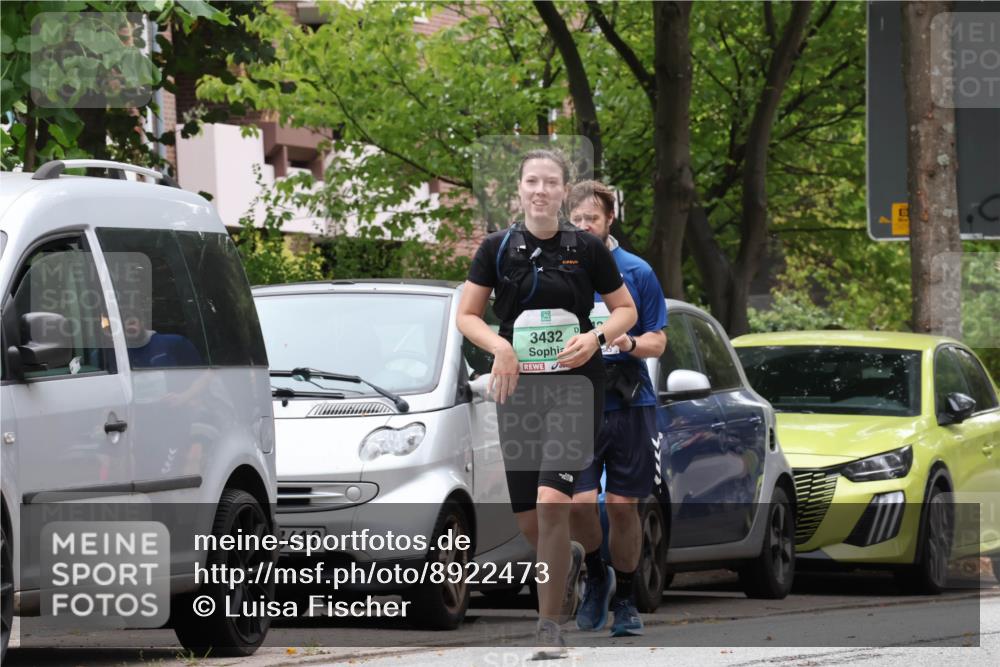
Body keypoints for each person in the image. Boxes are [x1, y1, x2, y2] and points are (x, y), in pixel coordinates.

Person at [457, 150, 637, 659]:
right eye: (531, 181)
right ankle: (580, 560)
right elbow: (467, 316)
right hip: (517, 389)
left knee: (553, 501)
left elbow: (627, 310)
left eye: (550, 182)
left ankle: (548, 627)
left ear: (563, 192)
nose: (540, 190)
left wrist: (596, 337)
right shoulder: (495, 249)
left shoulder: (586, 248)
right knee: (529, 520)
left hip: (575, 386)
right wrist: (500, 347)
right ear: (519, 189)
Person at [566, 180, 667, 637]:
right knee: (580, 503)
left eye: (593, 218)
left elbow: (658, 340)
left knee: (623, 507)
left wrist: (628, 341)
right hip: (574, 405)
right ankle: (595, 576)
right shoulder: (560, 268)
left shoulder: (637, 272)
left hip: (628, 403)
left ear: (610, 220)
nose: (585, 226)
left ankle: (626, 596)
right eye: (578, 219)